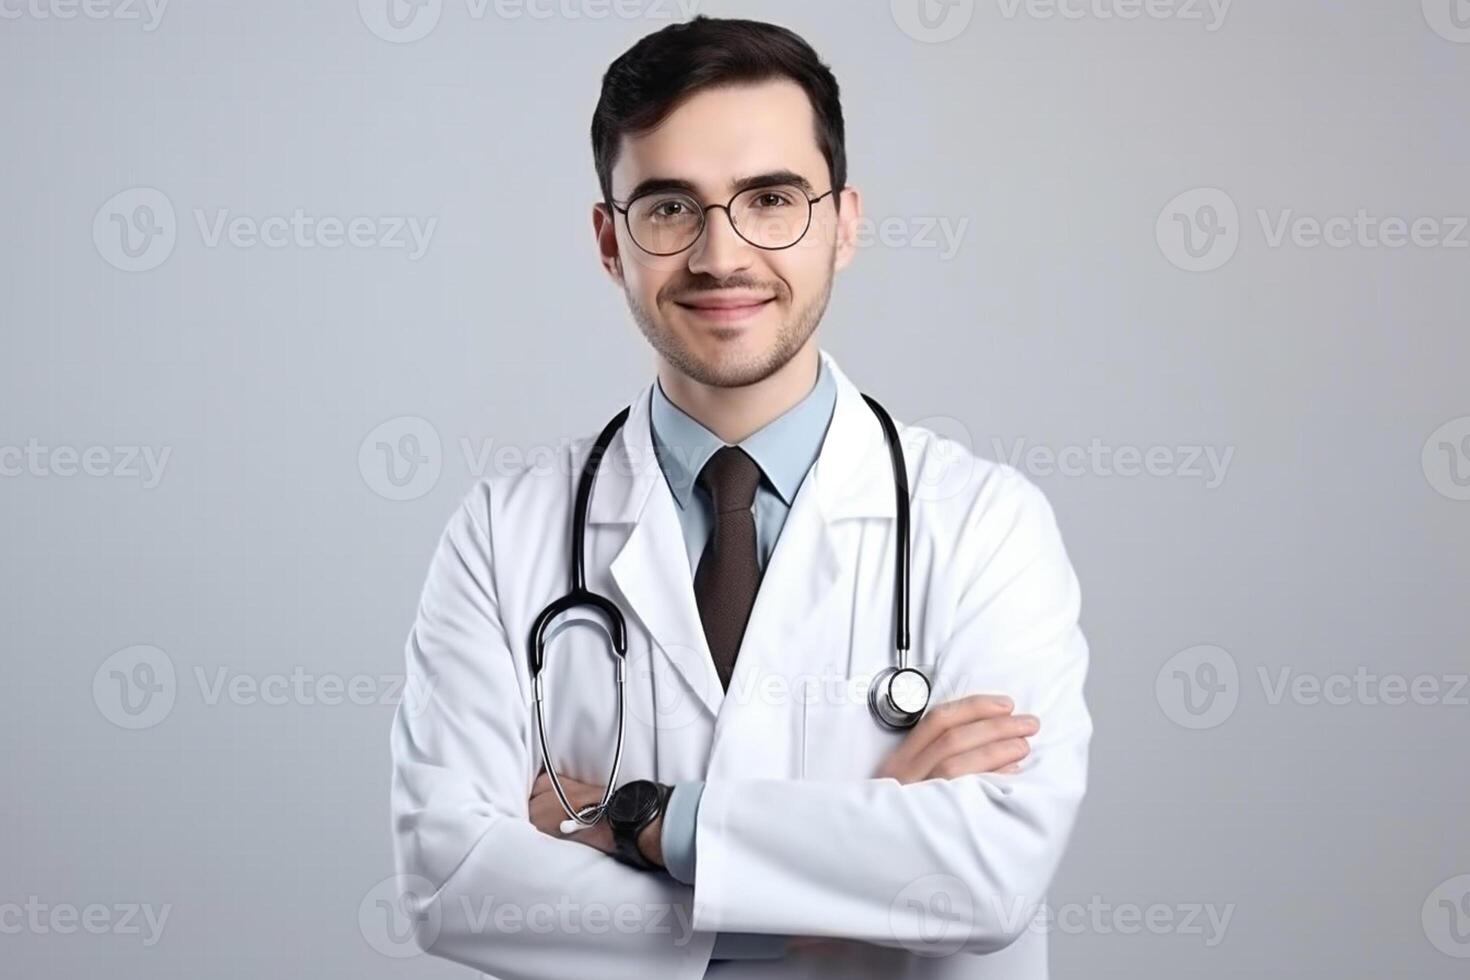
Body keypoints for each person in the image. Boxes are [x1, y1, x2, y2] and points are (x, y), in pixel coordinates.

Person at [389, 15, 1091, 979]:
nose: (722, 255)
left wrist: (641, 820)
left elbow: (986, 877)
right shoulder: (503, 533)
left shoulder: (983, 527)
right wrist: (832, 896)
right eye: (671, 207)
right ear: (609, 240)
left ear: (844, 224)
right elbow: (450, 880)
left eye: (770, 199)